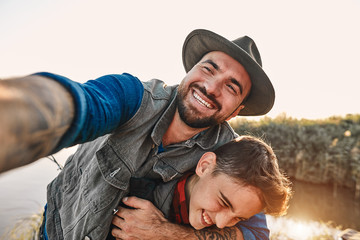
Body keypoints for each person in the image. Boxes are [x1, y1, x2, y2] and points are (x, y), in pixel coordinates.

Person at [0, 29, 275, 239]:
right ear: (189, 71)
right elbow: (78, 105)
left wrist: (166, 233)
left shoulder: (227, 153)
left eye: (232, 87)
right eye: (208, 68)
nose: (212, 87)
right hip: (57, 230)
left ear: (235, 111)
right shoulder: (133, 97)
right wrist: (17, 114)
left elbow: (257, 233)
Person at [110, 136, 292, 240]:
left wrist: (164, 233)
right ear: (204, 166)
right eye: (223, 202)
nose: (220, 224)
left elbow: (259, 236)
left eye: (238, 218)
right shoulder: (141, 190)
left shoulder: (247, 196)